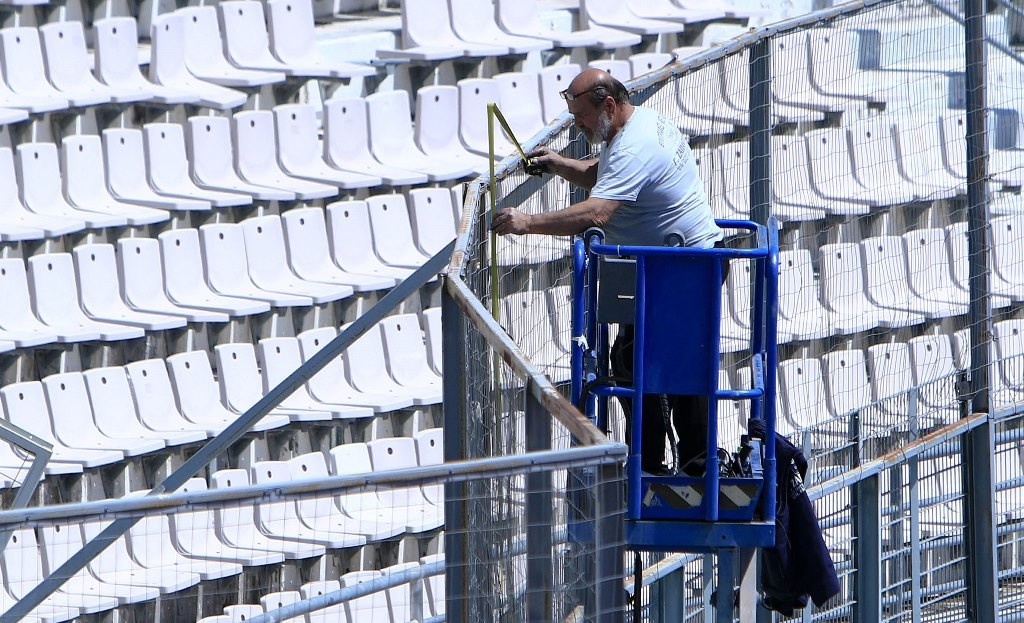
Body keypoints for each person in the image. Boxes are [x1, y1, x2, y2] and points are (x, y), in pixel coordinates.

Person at [491, 68, 724, 476]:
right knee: (645, 359)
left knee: (647, 363)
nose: (577, 124)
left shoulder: (634, 146)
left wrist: (527, 222)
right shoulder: (637, 123)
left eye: (581, 116)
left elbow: (598, 212)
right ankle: (671, 462)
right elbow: (603, 175)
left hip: (686, 269)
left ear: (609, 105)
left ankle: (666, 466)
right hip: (676, 267)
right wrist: (559, 165)